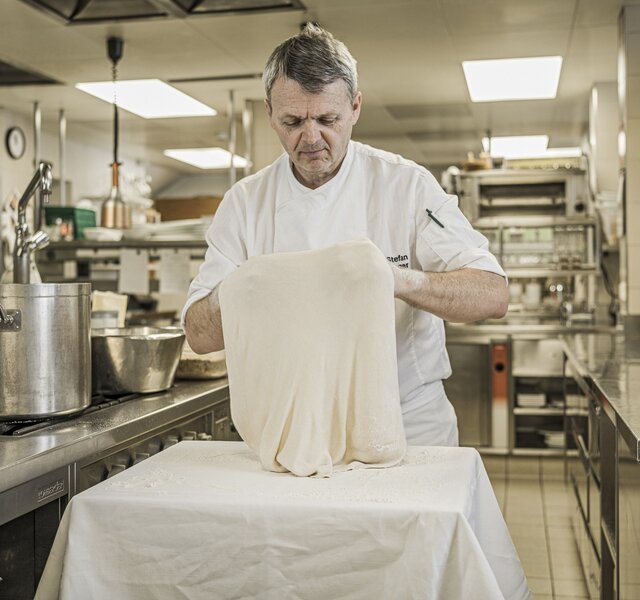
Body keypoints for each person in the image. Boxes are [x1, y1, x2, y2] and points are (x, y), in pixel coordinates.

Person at [182, 23, 508, 446]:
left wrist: (397, 280)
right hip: (290, 427)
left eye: (327, 118)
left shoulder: (405, 186)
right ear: (269, 114)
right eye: (293, 121)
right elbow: (198, 335)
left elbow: (493, 294)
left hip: (407, 425)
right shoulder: (245, 204)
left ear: (355, 107)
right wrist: (244, 287)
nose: (311, 137)